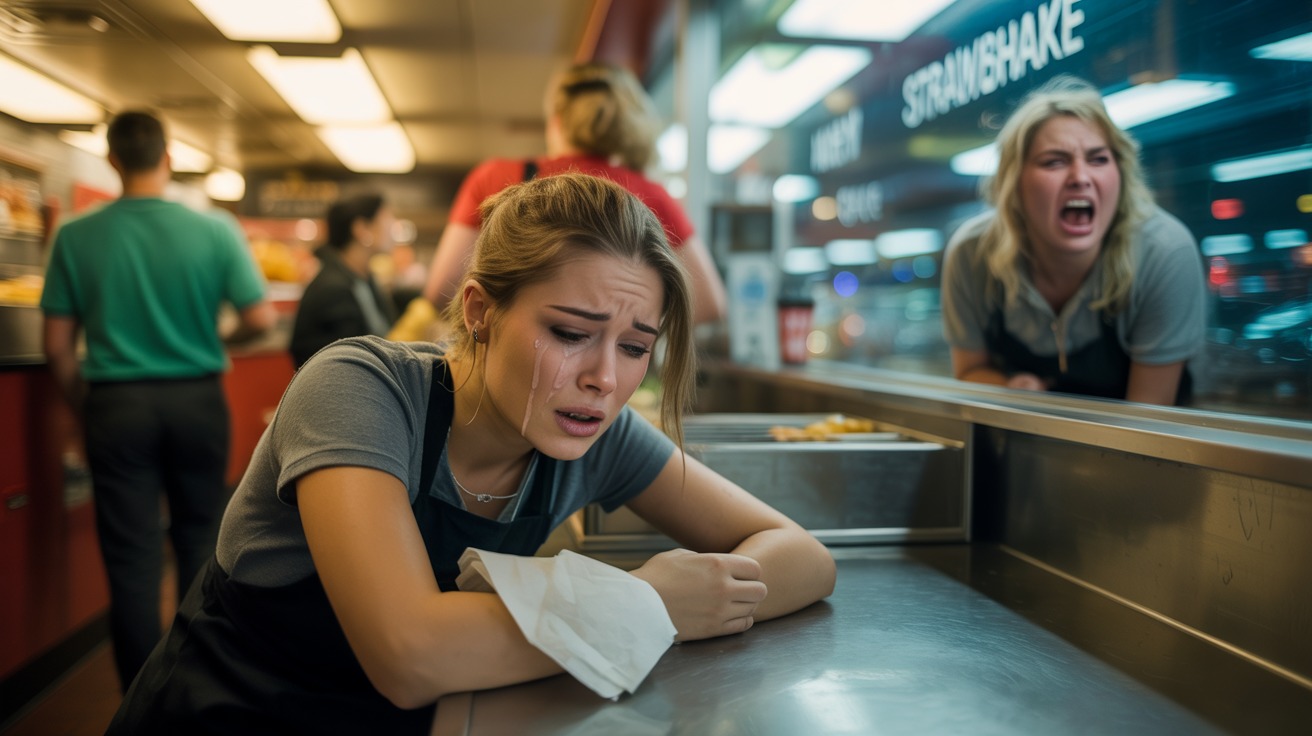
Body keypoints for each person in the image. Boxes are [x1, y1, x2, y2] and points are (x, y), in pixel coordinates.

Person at [107, 173, 835, 734]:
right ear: (482, 311)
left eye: (636, 347)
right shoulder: (360, 389)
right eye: (570, 332)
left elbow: (803, 558)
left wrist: (652, 609)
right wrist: (644, 604)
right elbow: (409, 654)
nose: (605, 378)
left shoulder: (593, 429)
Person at [39, 110, 276, 691]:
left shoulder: (75, 233)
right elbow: (261, 319)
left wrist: (86, 403)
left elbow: (56, 346)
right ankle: (194, 692)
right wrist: (208, 339)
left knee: (132, 562)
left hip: (116, 406)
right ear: (168, 156)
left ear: (113, 160)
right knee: (201, 544)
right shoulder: (215, 229)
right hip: (196, 401)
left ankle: (137, 707)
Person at [390, 61, 727, 340]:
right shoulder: (652, 195)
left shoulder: (497, 176)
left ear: (557, 122)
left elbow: (441, 291)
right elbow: (708, 304)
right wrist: (627, 336)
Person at [940, 76, 1206, 405]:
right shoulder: (973, 253)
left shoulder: (1163, 252)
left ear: (1120, 176)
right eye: (1054, 161)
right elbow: (969, 373)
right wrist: (1009, 388)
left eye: (1098, 159)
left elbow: (1148, 426)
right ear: (1015, 184)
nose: (1080, 178)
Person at [289, 193, 397, 367]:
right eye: (388, 219)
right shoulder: (332, 290)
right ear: (362, 229)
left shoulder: (363, 279)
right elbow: (351, 364)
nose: (394, 228)